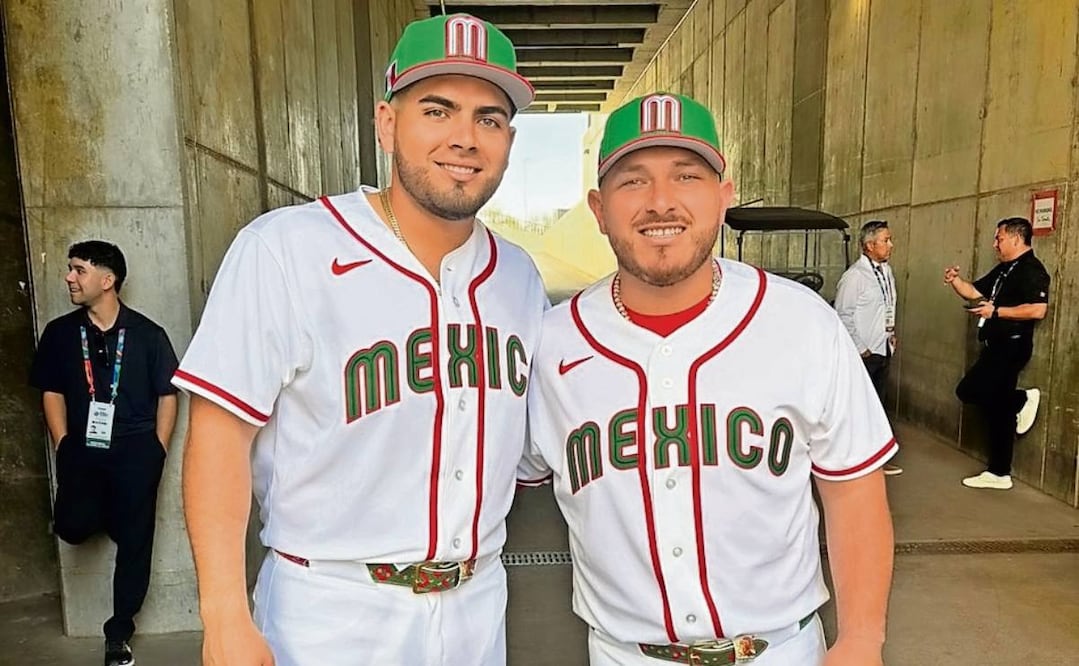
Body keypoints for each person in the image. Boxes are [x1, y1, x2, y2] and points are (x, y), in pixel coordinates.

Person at [174, 13, 546, 666]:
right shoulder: (286, 248)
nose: (464, 138)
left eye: (488, 119)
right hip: (330, 609)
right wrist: (223, 613)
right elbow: (219, 434)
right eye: (437, 110)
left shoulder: (517, 276)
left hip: (477, 601)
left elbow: (531, 449)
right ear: (386, 123)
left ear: (507, 142)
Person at [518, 93, 896, 666]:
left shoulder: (801, 322)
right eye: (633, 181)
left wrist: (862, 640)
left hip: (781, 651)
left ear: (724, 196)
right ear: (598, 208)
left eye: (686, 175)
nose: (660, 201)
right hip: (627, 656)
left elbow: (853, 487)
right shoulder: (550, 344)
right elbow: (485, 483)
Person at [29, 240, 179, 666]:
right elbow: (51, 390)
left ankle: (118, 633)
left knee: (135, 542)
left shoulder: (148, 334)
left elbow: (168, 394)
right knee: (72, 526)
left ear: (107, 280)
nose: (69, 278)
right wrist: (62, 443)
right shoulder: (60, 333)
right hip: (81, 447)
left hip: (136, 449)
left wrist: (158, 448)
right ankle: (108, 512)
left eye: (79, 270)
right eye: (70, 269)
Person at [945, 217, 1049, 490]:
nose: (995, 244)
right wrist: (956, 281)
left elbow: (1038, 309)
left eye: (999, 238)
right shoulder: (1004, 269)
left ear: (1016, 238)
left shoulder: (1032, 270)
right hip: (995, 345)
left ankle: (1001, 468)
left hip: (1012, 346)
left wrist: (997, 312)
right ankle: (1000, 469)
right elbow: (974, 292)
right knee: (986, 400)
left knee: (981, 396)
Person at [834, 220, 903, 476]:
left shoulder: (886, 272)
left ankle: (875, 461)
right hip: (864, 353)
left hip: (883, 348)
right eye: (885, 240)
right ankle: (855, 462)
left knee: (878, 408)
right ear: (870, 245)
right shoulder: (855, 277)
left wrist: (890, 333)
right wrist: (861, 348)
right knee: (859, 409)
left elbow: (887, 306)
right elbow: (842, 314)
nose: (890, 245)